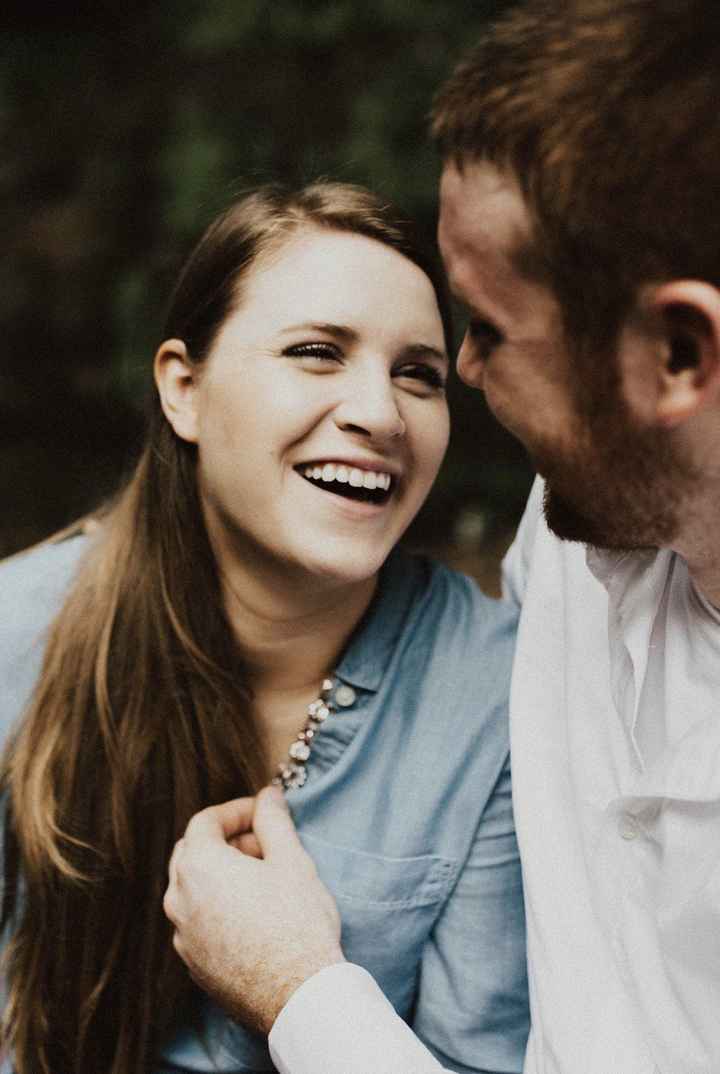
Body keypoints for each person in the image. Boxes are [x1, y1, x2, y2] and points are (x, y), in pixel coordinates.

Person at [163, 1, 720, 1073]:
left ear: (679, 355)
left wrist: (301, 994)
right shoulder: (569, 546)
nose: (460, 373)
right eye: (316, 351)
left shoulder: (474, 662)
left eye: (490, 330)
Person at [0, 182, 530, 1074]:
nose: (381, 413)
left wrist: (298, 986)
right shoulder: (16, 630)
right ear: (184, 389)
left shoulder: (497, 697)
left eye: (419, 375)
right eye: (317, 352)